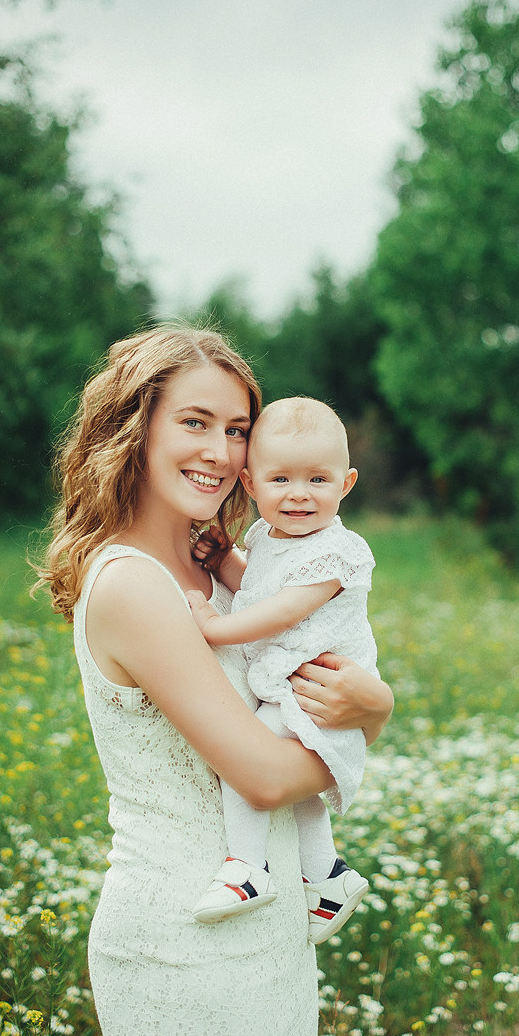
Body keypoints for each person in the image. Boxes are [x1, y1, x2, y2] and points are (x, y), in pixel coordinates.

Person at [35, 326, 393, 1036]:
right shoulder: (132, 583)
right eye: (195, 422)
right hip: (183, 940)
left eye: (237, 430)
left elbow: (302, 683)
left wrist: (367, 700)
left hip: (266, 929)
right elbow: (268, 776)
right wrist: (373, 716)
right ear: (135, 428)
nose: (222, 452)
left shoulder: (218, 567)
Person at [186, 397, 377, 945]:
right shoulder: (268, 537)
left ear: (346, 483)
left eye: (318, 478)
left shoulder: (337, 552)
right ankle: (329, 877)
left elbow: (282, 610)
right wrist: (225, 562)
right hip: (291, 685)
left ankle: (247, 868)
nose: (299, 494)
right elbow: (261, 586)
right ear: (250, 484)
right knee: (300, 794)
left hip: (321, 688)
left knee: (245, 762)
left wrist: (212, 624)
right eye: (281, 479)